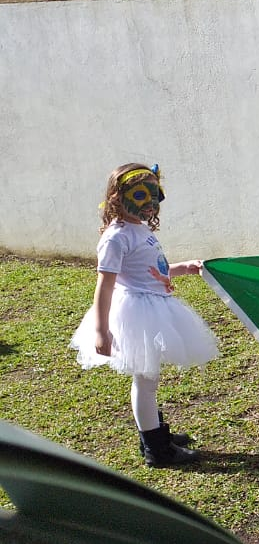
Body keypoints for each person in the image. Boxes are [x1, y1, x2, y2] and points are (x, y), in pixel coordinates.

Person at [69, 164, 219, 466]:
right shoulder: (116, 237)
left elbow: (150, 269)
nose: (150, 202)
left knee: (150, 377)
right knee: (146, 379)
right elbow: (105, 286)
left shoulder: (140, 228)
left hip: (153, 304)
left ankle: (154, 431)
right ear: (117, 196)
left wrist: (181, 267)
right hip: (137, 312)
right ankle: (155, 448)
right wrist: (101, 330)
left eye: (156, 194)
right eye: (141, 194)